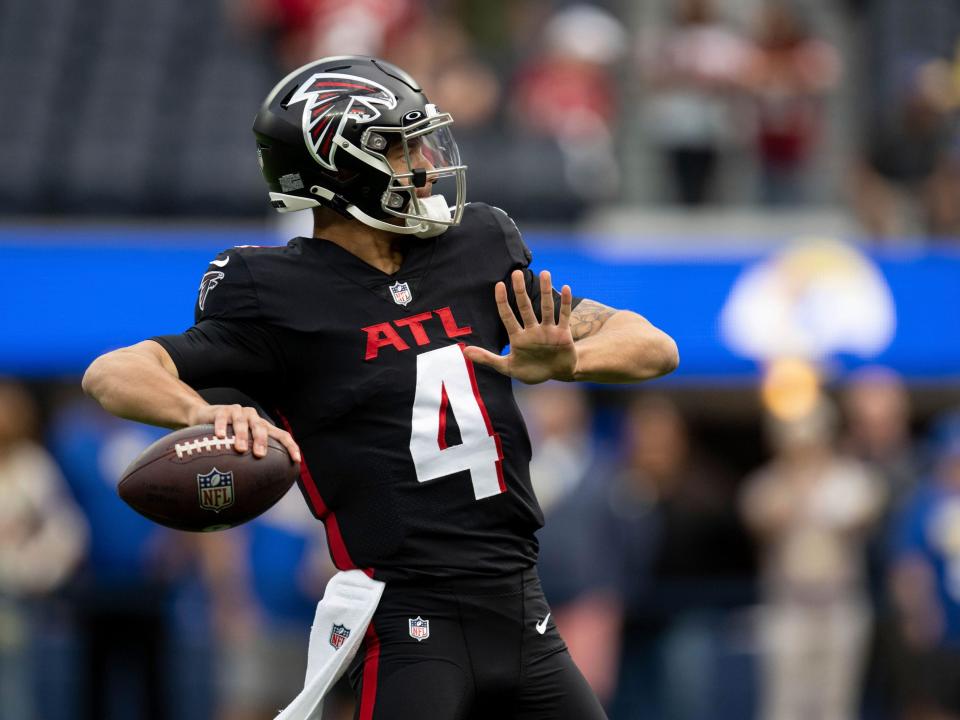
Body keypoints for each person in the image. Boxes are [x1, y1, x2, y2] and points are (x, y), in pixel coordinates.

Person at [82, 55, 678, 720]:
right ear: (338, 168)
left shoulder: (476, 246)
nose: (424, 161)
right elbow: (112, 372)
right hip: (404, 620)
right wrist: (206, 412)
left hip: (521, 607)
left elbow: (654, 347)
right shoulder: (271, 290)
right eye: (400, 147)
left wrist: (567, 360)